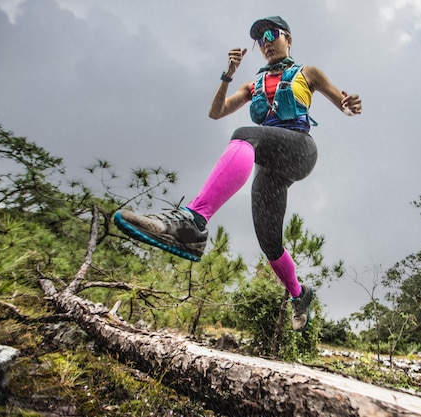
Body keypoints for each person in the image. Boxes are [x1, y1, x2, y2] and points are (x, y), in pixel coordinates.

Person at [113, 16, 362, 332]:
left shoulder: (306, 73)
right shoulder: (252, 85)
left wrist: (350, 103)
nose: (266, 42)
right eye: (260, 40)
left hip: (299, 150)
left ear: (289, 38)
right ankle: (301, 294)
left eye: (272, 34)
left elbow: (342, 101)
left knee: (246, 134)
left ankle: (193, 222)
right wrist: (227, 75)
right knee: (269, 243)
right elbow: (216, 112)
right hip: (269, 164)